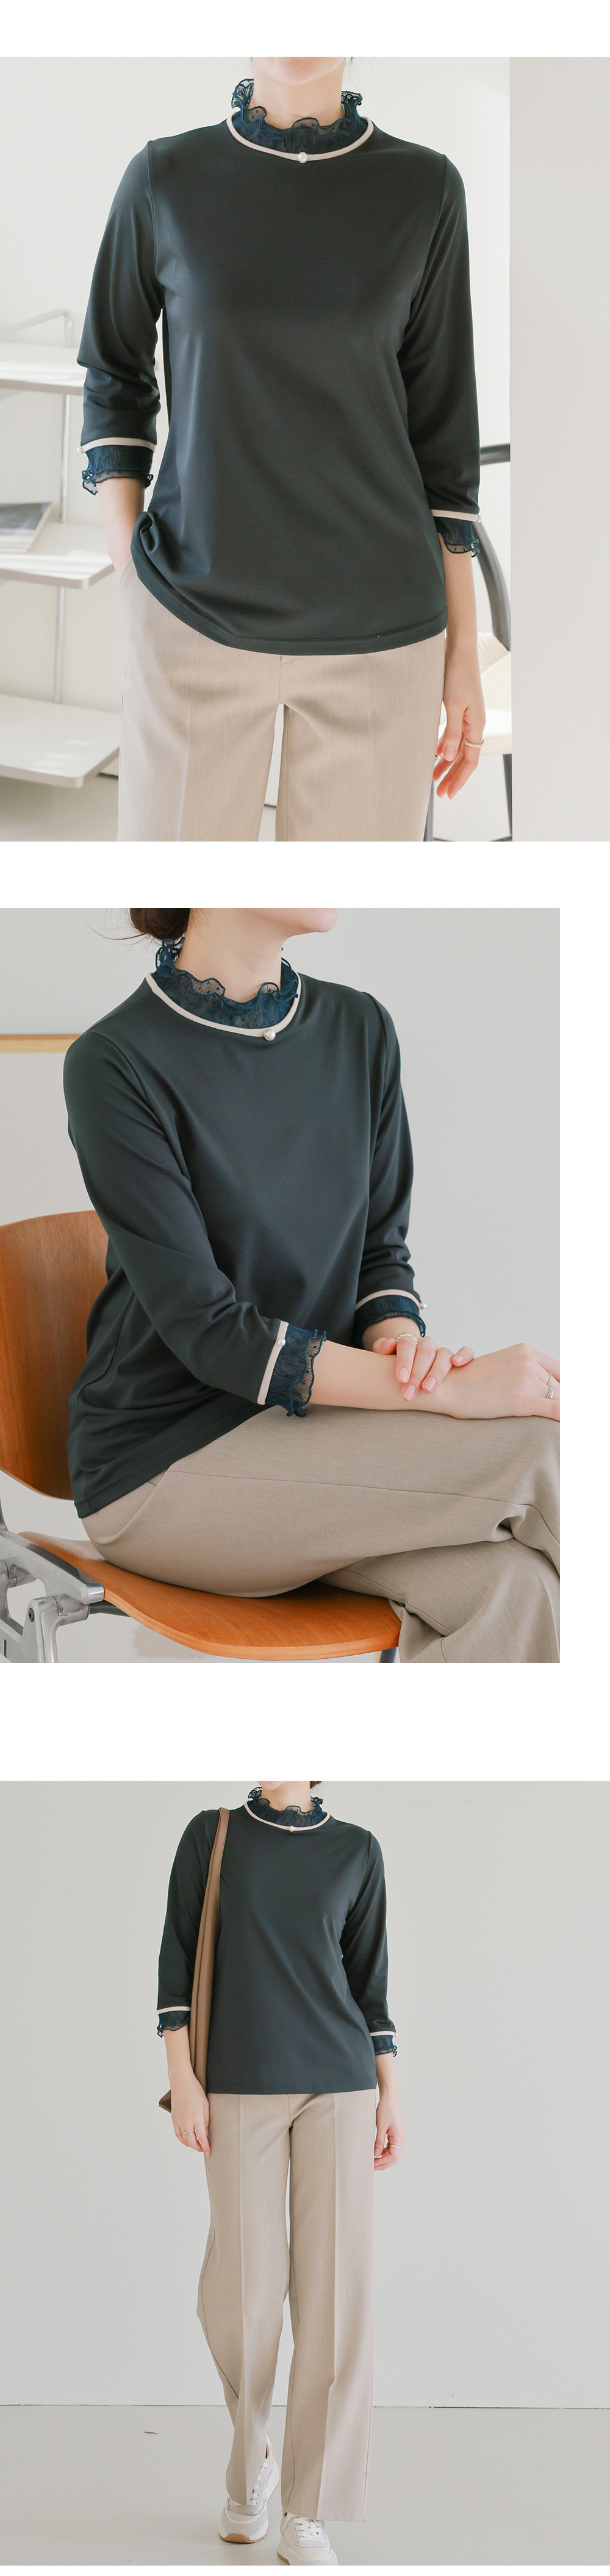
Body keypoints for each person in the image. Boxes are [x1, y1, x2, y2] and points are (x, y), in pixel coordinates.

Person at [63, 907, 559, 1664]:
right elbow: (210, 1332)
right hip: (164, 1464)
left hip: (315, 1439)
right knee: (544, 1451)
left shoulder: (360, 1028)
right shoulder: (115, 1060)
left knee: (513, 1590)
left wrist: (404, 1351)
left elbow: (379, 1251)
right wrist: (451, 1393)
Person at [77, 55, 486, 841]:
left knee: (339, 904)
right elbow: (114, 373)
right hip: (191, 616)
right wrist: (132, 576)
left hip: (382, 630)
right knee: (175, 895)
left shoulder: (427, 189)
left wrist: (463, 648)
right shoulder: (164, 178)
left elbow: (443, 434)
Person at [157, 1780, 403, 2565]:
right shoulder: (213, 1835)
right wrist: (183, 2081)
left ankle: (310, 2507)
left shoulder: (357, 1850)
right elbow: (175, 1966)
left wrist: (390, 2094)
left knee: (335, 2297)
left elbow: (369, 1987)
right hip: (236, 2084)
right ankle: (252, 2463)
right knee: (240, 2296)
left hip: (340, 2086)